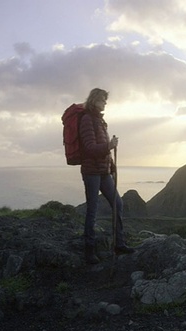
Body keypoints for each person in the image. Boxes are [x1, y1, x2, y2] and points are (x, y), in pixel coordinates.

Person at [79, 88, 134, 264]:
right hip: (91, 172)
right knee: (92, 210)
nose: (105, 103)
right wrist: (109, 146)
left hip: (103, 172)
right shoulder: (87, 119)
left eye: (105, 100)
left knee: (118, 203)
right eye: (103, 100)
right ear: (94, 100)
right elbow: (89, 148)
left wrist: (111, 166)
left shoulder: (100, 121)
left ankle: (119, 244)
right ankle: (89, 251)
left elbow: (102, 149)